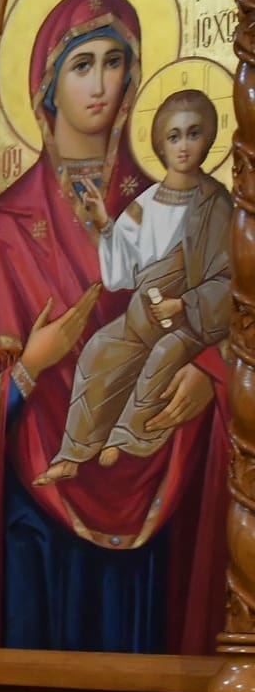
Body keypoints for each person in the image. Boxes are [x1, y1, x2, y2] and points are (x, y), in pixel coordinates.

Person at [0, 0, 227, 652]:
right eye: (82, 64)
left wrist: (209, 373)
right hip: (35, 515)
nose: (101, 84)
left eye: (115, 62)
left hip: (155, 478)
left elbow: (225, 304)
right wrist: (31, 366)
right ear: (47, 85)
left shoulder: (179, 204)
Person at [36, 89, 230, 483]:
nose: (183, 145)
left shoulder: (216, 205)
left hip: (189, 323)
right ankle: (74, 451)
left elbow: (230, 279)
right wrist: (105, 224)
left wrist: (183, 304)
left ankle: (127, 436)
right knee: (99, 350)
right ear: (160, 143)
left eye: (193, 133)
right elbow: (122, 273)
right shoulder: (146, 204)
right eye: (174, 136)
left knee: (162, 355)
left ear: (208, 139)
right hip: (143, 316)